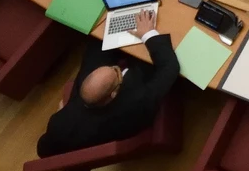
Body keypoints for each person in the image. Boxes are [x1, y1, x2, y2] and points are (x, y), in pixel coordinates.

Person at [36, 10, 180, 158]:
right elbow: (170, 67)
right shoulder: (137, 102)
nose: (115, 67)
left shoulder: (58, 124)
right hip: (130, 113)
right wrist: (147, 34)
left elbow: (42, 150)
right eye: (117, 72)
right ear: (114, 94)